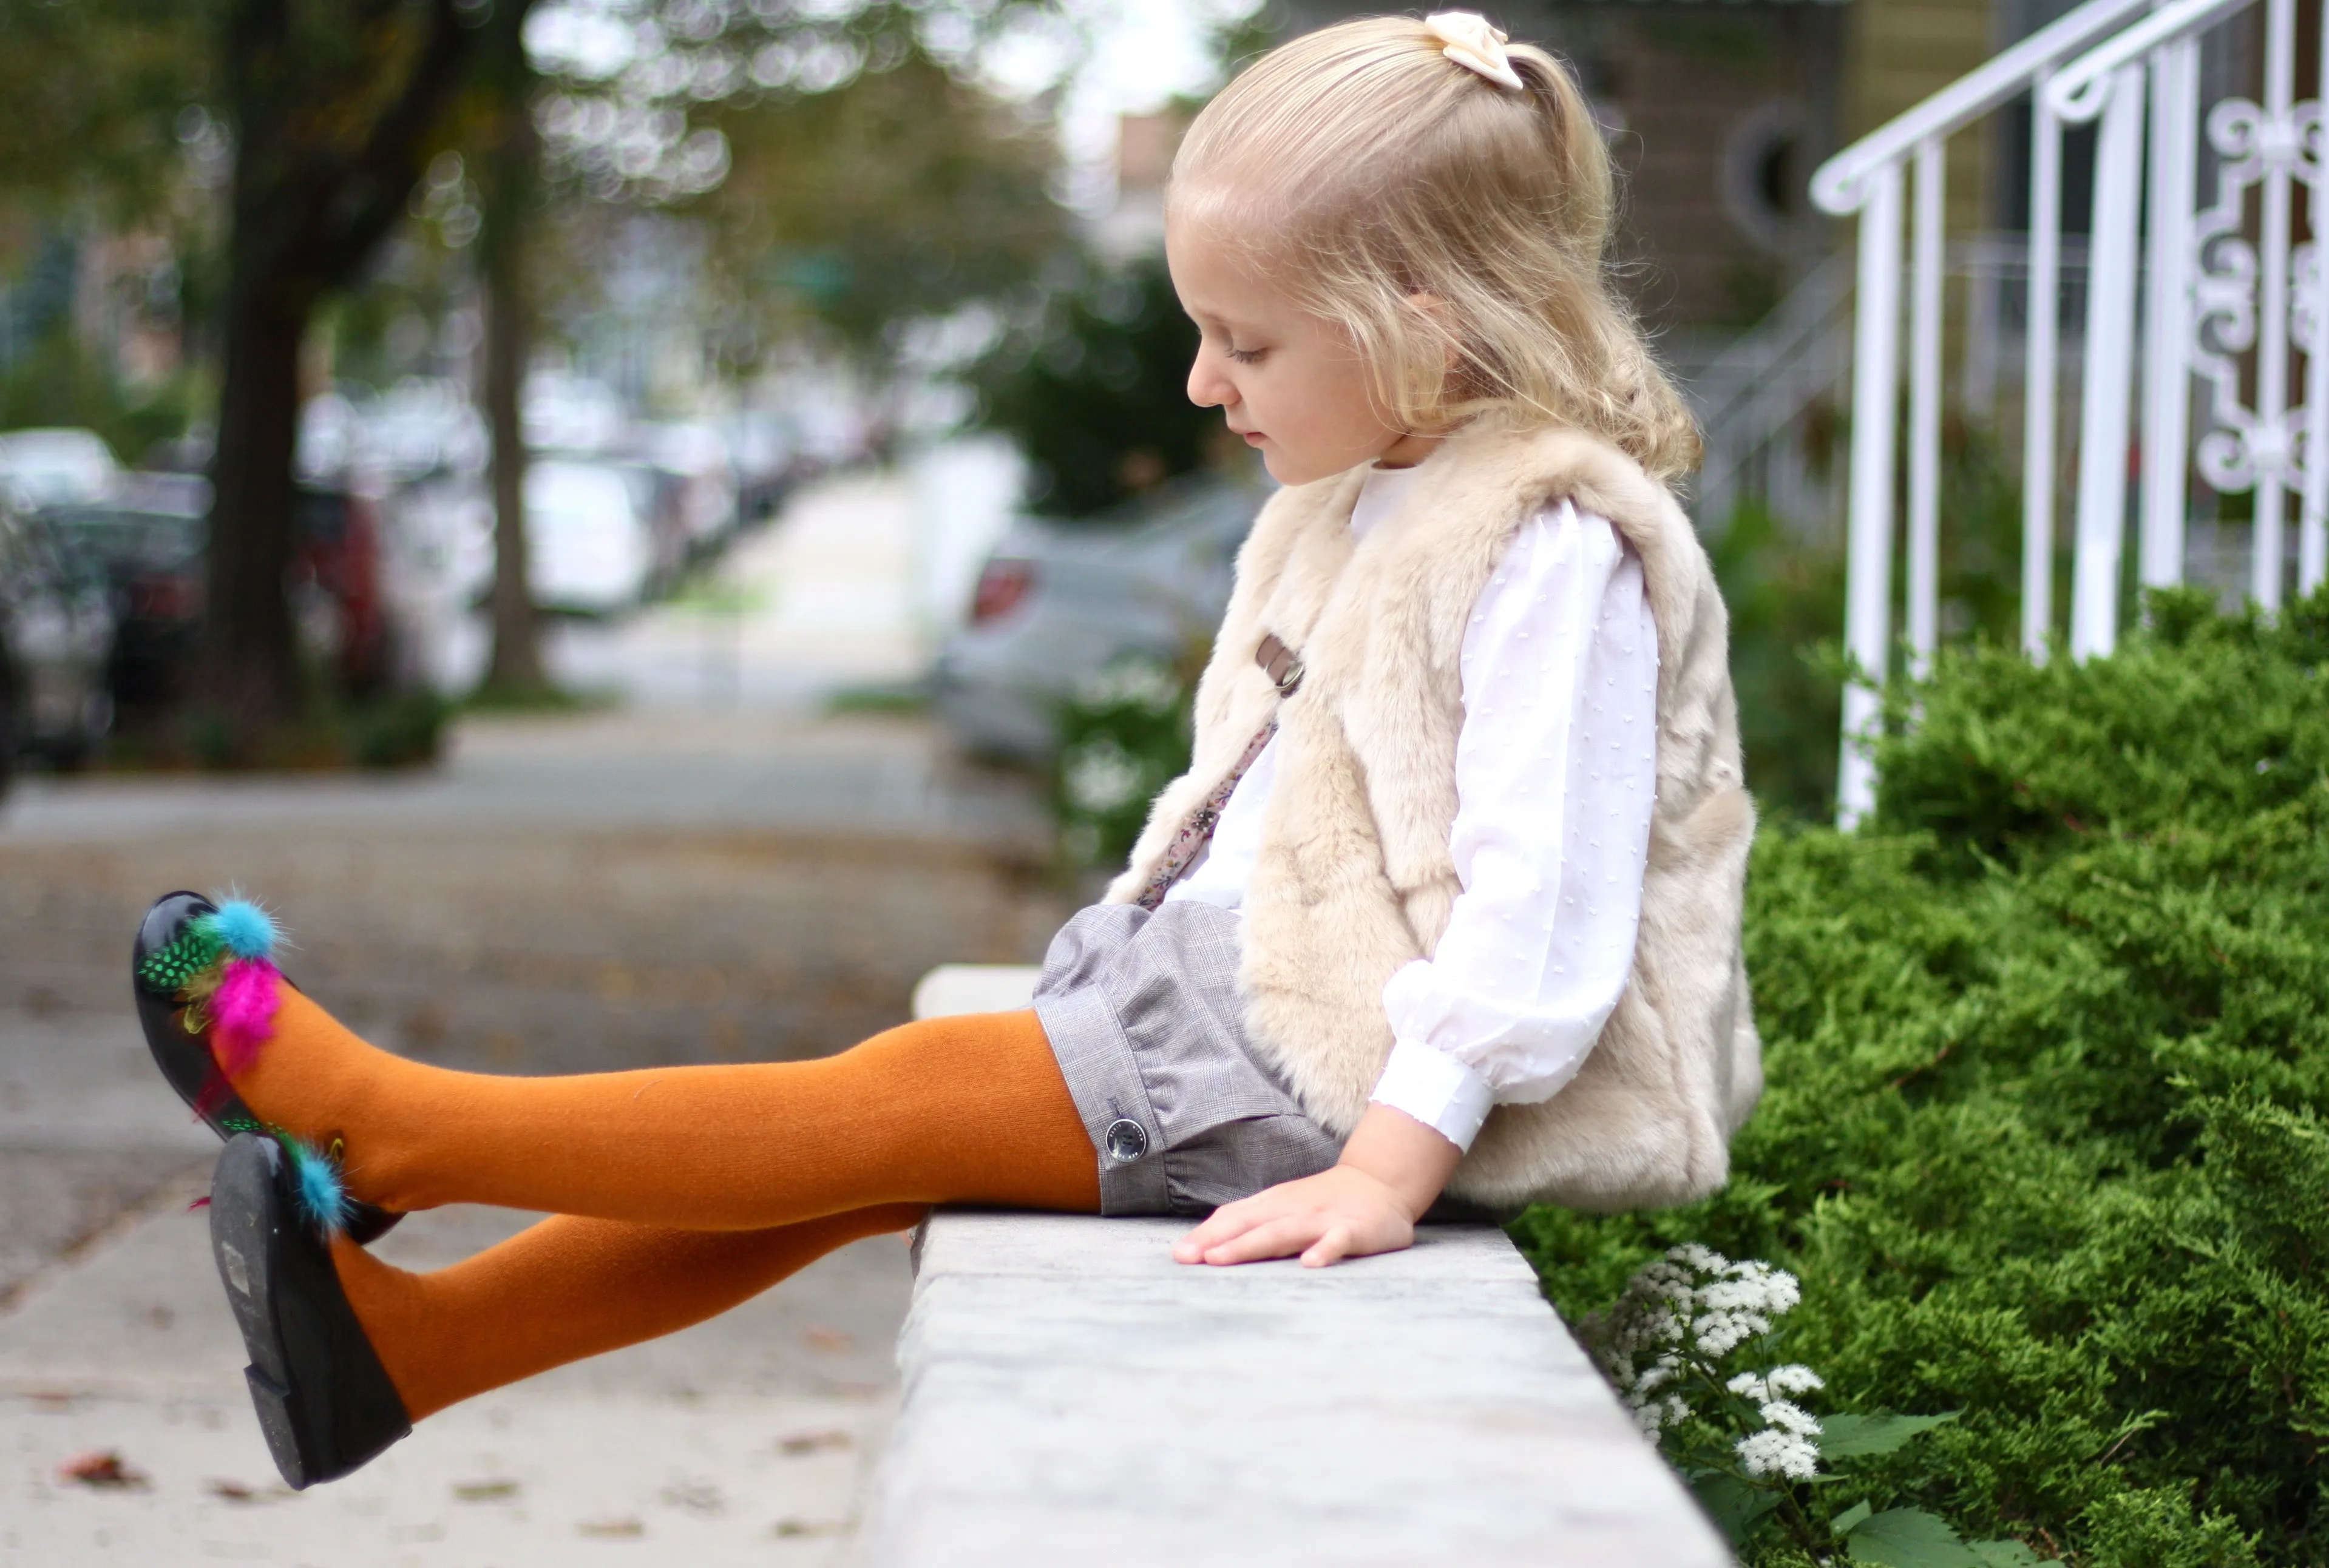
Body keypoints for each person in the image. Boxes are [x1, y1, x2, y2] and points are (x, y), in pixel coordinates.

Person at [132, 12, 1761, 1492]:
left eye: (1245, 345)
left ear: (1418, 318)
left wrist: (1390, 1169)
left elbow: (1540, 912)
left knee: (884, 1097)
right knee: (851, 1161)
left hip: (1341, 1079)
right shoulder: (1365, 496)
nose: (1203, 383)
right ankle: (417, 1353)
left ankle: (396, 1133)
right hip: (1238, 1004)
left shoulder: (1553, 545)